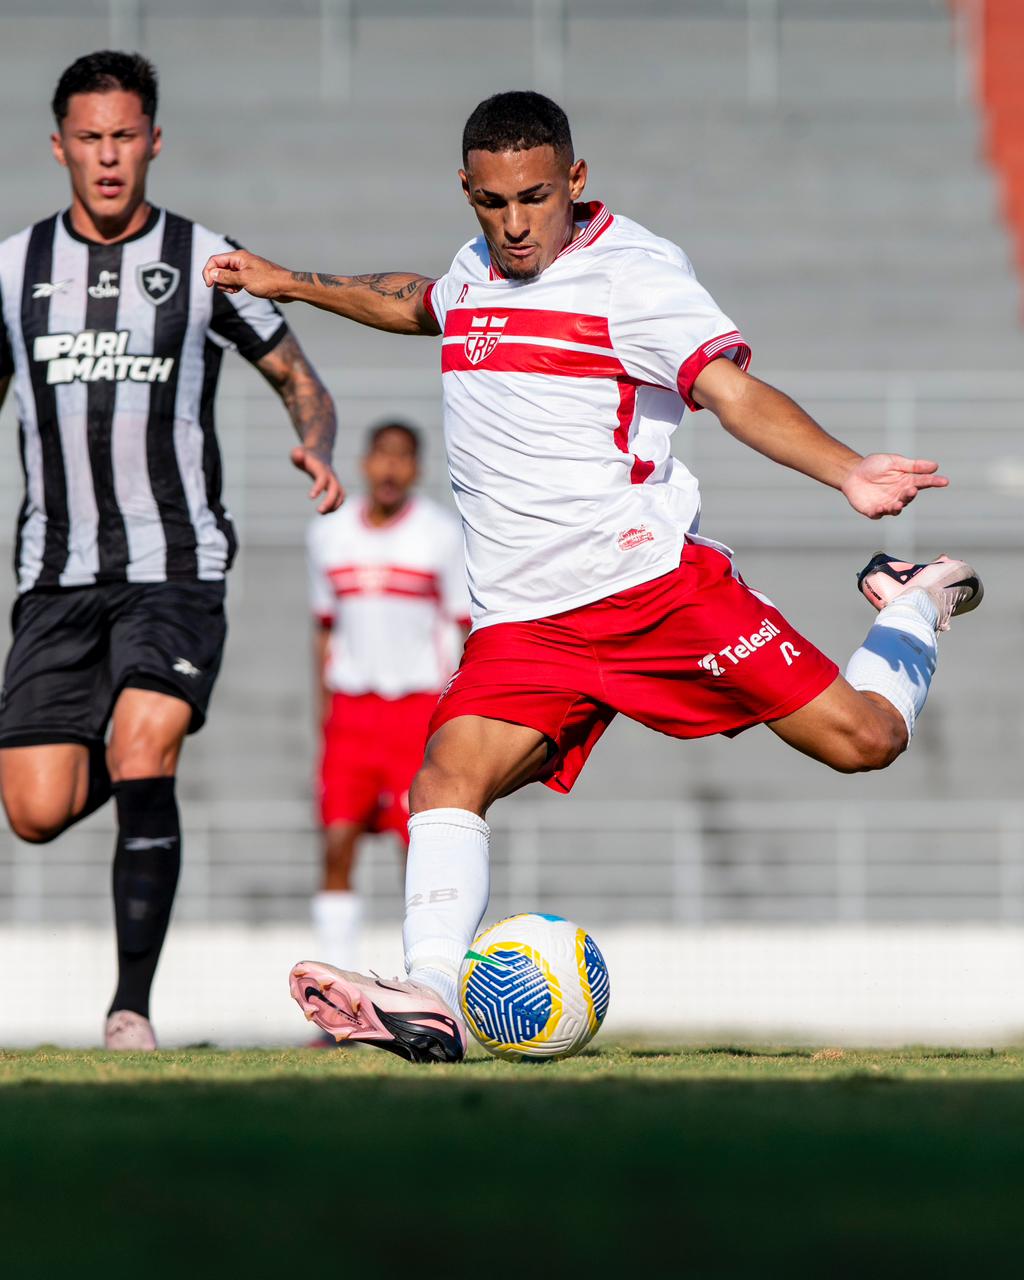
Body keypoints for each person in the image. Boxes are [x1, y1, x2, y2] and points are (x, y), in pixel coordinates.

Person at [204, 91, 982, 1063]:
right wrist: (290, 280)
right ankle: (430, 992)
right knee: (446, 778)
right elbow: (416, 302)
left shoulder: (636, 275)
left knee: (865, 740)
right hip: (525, 621)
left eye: (535, 196)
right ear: (467, 191)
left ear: (576, 180)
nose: (516, 222)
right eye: (492, 202)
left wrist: (846, 468)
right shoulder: (476, 270)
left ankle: (912, 599)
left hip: (653, 591)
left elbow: (728, 392)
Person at [0, 51, 342, 1050]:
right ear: (58, 145)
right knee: (32, 809)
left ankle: (129, 1009)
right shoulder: (12, 269)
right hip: (52, 576)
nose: (108, 158)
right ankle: (117, 741)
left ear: (154, 140)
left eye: (125, 136)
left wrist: (315, 445)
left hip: (175, 563)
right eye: (90, 139)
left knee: (145, 746)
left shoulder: (202, 261)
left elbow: (300, 377)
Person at [307, 418, 468, 984]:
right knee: (337, 843)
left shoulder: (440, 535)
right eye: (383, 456)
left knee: (417, 853)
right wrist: (323, 715)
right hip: (351, 714)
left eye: (404, 457)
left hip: (416, 711)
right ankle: (334, 1003)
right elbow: (323, 630)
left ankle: (419, 990)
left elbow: (458, 627)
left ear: (416, 469)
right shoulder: (329, 536)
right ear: (366, 463)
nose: (392, 467)